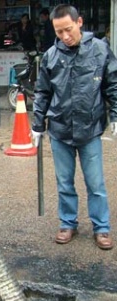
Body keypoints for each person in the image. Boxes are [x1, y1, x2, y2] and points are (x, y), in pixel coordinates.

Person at [31, 4, 117, 250]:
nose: (65, 37)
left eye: (68, 29)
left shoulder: (100, 50)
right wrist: (38, 125)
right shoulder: (51, 55)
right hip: (60, 129)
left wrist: (115, 115)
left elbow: (113, 84)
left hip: (90, 129)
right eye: (59, 32)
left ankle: (102, 228)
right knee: (64, 182)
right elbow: (43, 92)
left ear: (79, 22)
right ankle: (68, 223)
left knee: (96, 183)